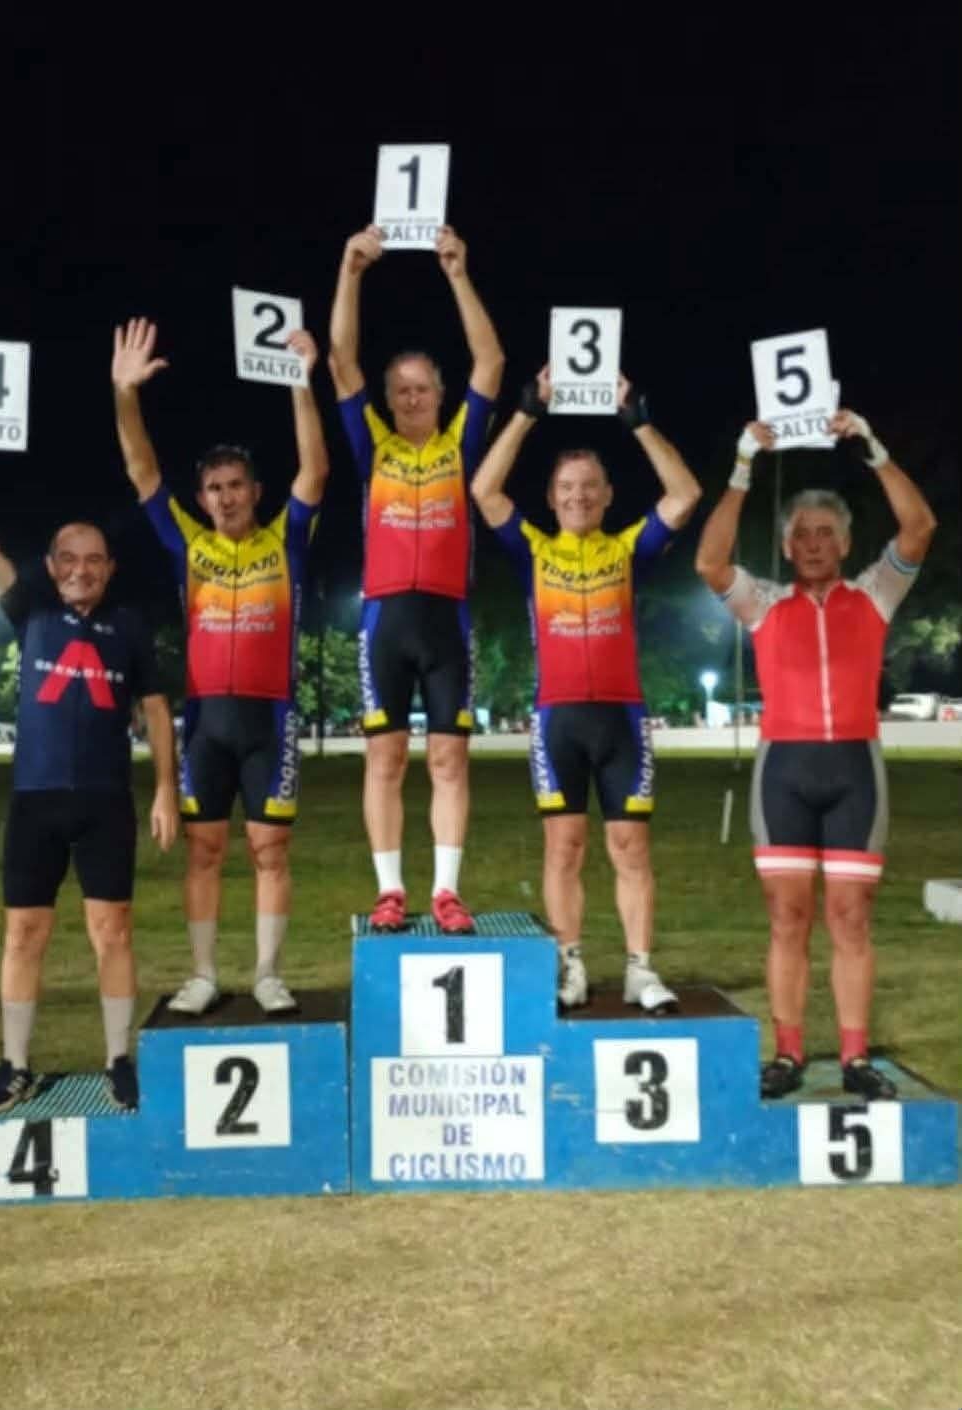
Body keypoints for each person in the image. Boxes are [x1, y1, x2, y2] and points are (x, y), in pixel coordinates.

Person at [0, 422, 179, 1113]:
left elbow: (156, 709)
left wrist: (166, 788)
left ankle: (119, 1060)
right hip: (35, 801)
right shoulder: (32, 609)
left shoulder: (130, 626)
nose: (81, 569)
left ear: (110, 567)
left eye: (94, 559)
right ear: (50, 566)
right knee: (24, 934)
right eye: (69, 558)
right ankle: (14, 1065)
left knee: (113, 932)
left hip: (105, 801)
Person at [694, 411, 937, 1099]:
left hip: (855, 770)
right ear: (786, 544)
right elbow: (710, 562)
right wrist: (743, 467)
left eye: (826, 532)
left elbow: (919, 527)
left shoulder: (875, 594)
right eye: (800, 534)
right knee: (788, 918)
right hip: (786, 774)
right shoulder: (765, 603)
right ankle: (789, 1052)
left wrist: (874, 449)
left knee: (851, 919)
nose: (812, 544)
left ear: (846, 542)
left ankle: (856, 1058)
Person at [112, 318, 328, 1015]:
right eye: (214, 488)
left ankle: (267, 973)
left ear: (255, 491)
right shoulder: (188, 545)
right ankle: (203, 974)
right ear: (201, 498)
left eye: (236, 485)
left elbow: (315, 471)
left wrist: (300, 383)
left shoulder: (287, 541)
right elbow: (143, 472)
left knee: (271, 850)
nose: (226, 497)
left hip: (271, 719)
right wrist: (125, 395)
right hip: (205, 721)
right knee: (203, 851)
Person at [471, 369, 701, 1008]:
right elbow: (483, 489)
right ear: (551, 498)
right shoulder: (533, 551)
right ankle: (569, 964)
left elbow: (685, 494)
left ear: (606, 495)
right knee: (564, 847)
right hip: (558, 721)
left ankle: (640, 968)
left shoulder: (627, 550)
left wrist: (638, 420)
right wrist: (527, 411)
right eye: (567, 487)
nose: (578, 496)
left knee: (630, 847)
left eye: (589, 486)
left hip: (622, 721)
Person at [328, 224, 504, 933]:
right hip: (385, 620)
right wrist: (351, 271)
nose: (409, 398)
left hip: (446, 619)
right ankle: (390, 890)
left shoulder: (462, 443)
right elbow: (340, 360)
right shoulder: (372, 445)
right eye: (399, 390)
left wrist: (457, 273)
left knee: (450, 760)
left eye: (421, 388)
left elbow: (491, 360)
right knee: (386, 758)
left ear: (439, 393)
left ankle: (446, 891)